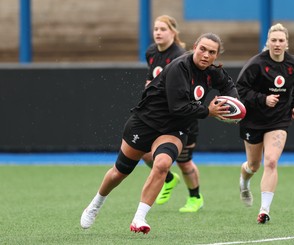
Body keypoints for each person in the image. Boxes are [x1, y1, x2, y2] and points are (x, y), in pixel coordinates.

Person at [80, 32, 239, 234]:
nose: (206, 55)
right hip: (146, 122)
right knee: (119, 172)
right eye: (203, 49)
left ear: (216, 55)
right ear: (195, 46)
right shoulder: (178, 68)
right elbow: (178, 107)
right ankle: (95, 204)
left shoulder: (212, 71)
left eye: (212, 52)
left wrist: (234, 105)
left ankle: (139, 219)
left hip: (175, 128)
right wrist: (209, 111)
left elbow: (228, 85)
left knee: (163, 164)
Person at [236, 23, 294, 224]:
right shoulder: (256, 64)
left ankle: (264, 210)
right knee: (253, 165)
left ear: (287, 43)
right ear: (268, 42)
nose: (277, 44)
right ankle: (244, 182)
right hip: (253, 119)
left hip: (279, 119)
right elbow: (240, 89)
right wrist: (262, 99)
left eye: (281, 40)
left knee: (271, 161)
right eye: (273, 40)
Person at [142, 15, 204, 212]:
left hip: (182, 117)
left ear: (173, 32)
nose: (158, 32)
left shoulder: (180, 56)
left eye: (163, 29)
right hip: (158, 116)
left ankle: (195, 197)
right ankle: (168, 178)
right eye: (155, 29)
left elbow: (186, 88)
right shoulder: (151, 52)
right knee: (142, 151)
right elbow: (151, 77)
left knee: (184, 162)